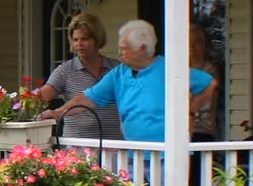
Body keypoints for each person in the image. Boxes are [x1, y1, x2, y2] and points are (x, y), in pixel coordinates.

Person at [46, 19, 213, 143]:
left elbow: (208, 84)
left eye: (124, 49)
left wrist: (191, 111)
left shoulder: (168, 68)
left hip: (165, 155)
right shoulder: (119, 73)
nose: (120, 53)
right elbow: (88, 98)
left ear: (141, 48)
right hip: (134, 155)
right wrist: (58, 113)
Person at [37, 11, 121, 142]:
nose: (79, 44)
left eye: (85, 39)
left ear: (97, 39)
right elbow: (42, 96)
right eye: (75, 40)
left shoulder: (115, 68)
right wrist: (12, 102)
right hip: (77, 145)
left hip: (113, 144)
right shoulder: (65, 70)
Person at [188, 21, 223, 141]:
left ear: (204, 46)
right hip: (179, 129)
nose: (191, 46)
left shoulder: (210, 71)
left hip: (202, 130)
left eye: (196, 41)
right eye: (188, 41)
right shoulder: (177, 70)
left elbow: (199, 100)